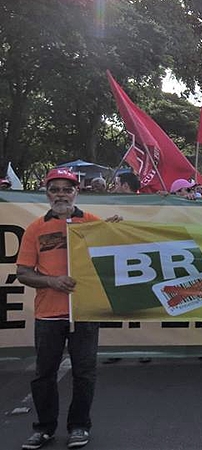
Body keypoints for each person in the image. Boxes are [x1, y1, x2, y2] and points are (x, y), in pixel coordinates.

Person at [16, 168, 122, 450]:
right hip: (48, 314)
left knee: (84, 373)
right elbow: (23, 273)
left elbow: (117, 253)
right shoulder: (35, 229)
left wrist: (118, 229)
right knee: (44, 374)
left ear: (77, 191)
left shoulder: (91, 222)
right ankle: (44, 428)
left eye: (67, 188)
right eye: (55, 189)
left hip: (84, 312)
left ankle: (79, 426)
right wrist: (51, 280)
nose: (61, 194)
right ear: (47, 193)